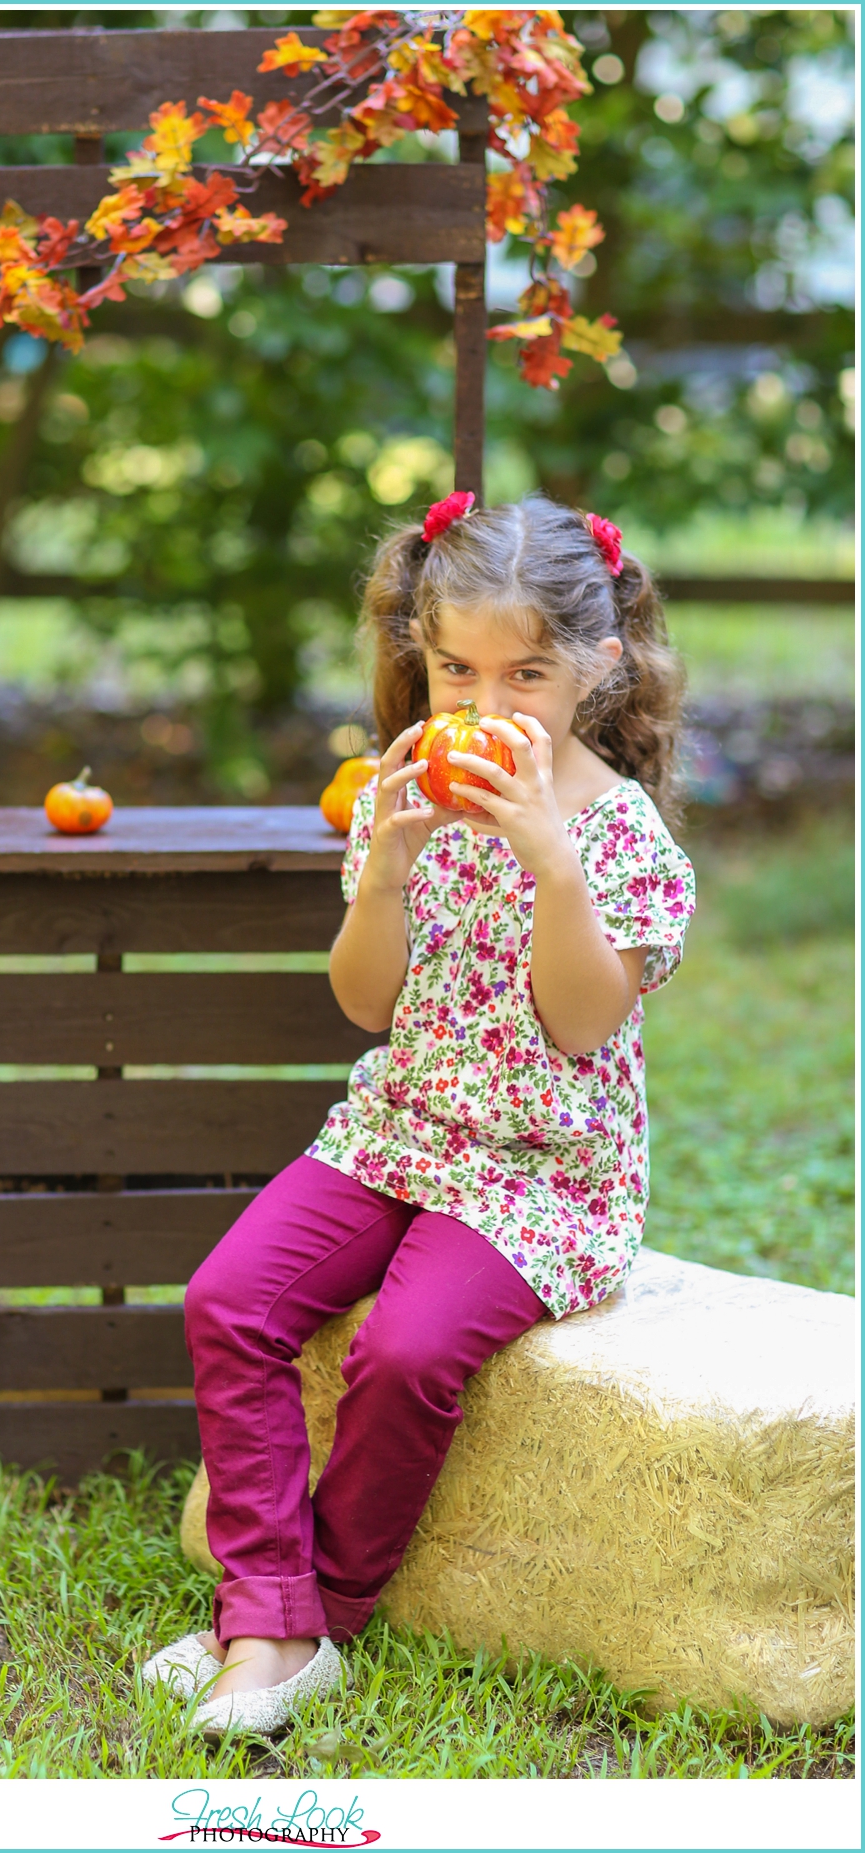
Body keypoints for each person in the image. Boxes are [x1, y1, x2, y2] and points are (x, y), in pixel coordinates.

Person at [142, 489, 696, 1738]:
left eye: (525, 675)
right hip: (403, 1129)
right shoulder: (409, 792)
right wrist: (385, 865)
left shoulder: (622, 838)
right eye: (456, 670)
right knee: (229, 1298)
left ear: (597, 669)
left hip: (542, 1173)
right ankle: (262, 1609)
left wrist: (551, 858)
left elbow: (579, 1022)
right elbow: (364, 1001)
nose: (486, 708)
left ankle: (313, 1617)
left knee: (403, 1349)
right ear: (423, 657)